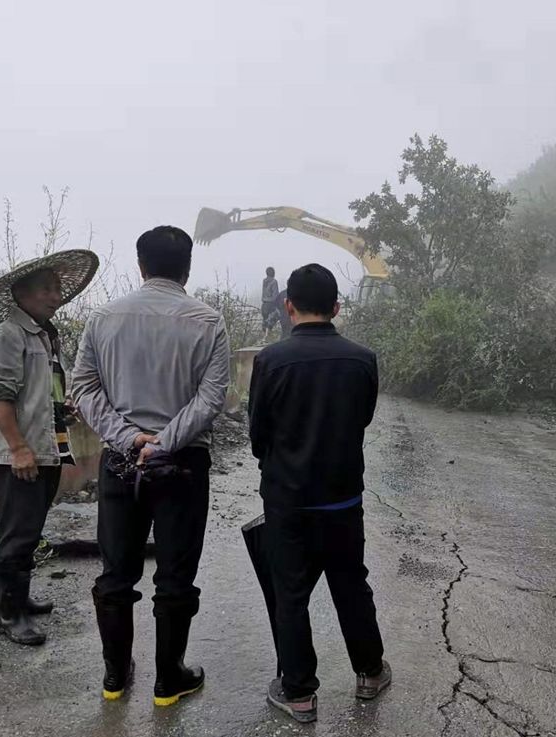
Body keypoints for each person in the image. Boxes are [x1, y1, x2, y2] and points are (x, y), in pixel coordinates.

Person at [72, 226, 230, 706]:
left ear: (140, 266)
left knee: (117, 572)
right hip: (183, 465)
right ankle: (168, 680)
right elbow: (211, 397)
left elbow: (83, 389)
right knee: (175, 574)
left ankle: (115, 677)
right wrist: (165, 441)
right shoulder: (209, 322)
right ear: (186, 268)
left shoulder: (103, 318)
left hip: (120, 464)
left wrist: (129, 439)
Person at [248, 263, 391, 724]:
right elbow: (363, 419)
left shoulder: (270, 361)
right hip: (343, 499)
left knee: (291, 593)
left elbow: (258, 435)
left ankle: (299, 694)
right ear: (336, 307)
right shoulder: (362, 359)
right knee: (351, 583)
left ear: (288, 305)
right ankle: (369, 672)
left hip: (288, 501)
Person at [0, 249, 100, 646]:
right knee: (19, 532)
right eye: (46, 289)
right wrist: (18, 448)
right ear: (21, 295)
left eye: (57, 288)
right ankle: (11, 614)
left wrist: (63, 409)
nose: (54, 295)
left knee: (21, 528)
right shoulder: (6, 336)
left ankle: (13, 598)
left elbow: (42, 390)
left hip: (46, 447)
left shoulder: (44, 337)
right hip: (20, 452)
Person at [261, 266, 280, 341]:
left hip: (264, 304)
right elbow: (275, 295)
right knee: (275, 316)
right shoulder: (274, 281)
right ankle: (267, 337)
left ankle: (265, 337)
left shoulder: (264, 281)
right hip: (271, 304)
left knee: (265, 320)